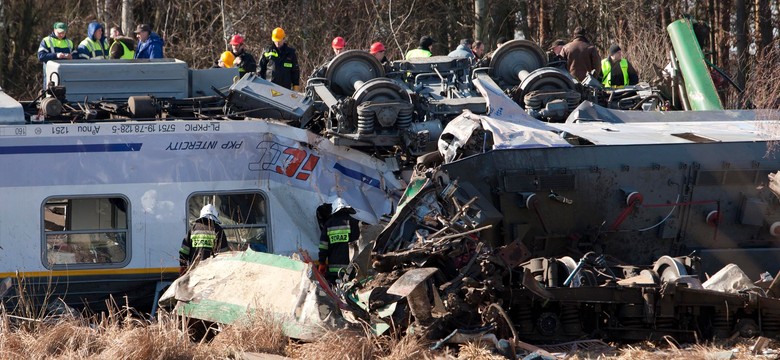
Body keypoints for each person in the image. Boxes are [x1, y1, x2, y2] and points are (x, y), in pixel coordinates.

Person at [318, 198, 360, 284]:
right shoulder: (353, 222)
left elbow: (323, 246)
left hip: (333, 270)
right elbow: (357, 246)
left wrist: (322, 262)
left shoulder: (328, 224)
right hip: (349, 269)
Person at [178, 204, 229, 274]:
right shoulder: (218, 229)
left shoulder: (193, 229)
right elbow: (224, 253)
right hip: (211, 270)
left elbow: (184, 251)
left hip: (194, 269)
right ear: (215, 216)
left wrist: (183, 267)